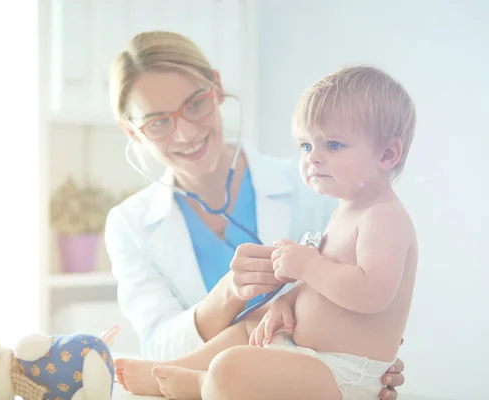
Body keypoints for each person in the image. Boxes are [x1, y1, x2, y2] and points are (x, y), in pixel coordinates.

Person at [104, 30, 405, 399]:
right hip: (251, 359)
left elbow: (370, 291)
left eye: (196, 104)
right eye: (158, 123)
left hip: (309, 372)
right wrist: (231, 293)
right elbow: (160, 347)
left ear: (216, 88)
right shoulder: (128, 225)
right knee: (244, 334)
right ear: (131, 131)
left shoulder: (324, 189)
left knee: (238, 359)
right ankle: (198, 378)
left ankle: (205, 381)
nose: (184, 134)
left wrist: (374, 356)